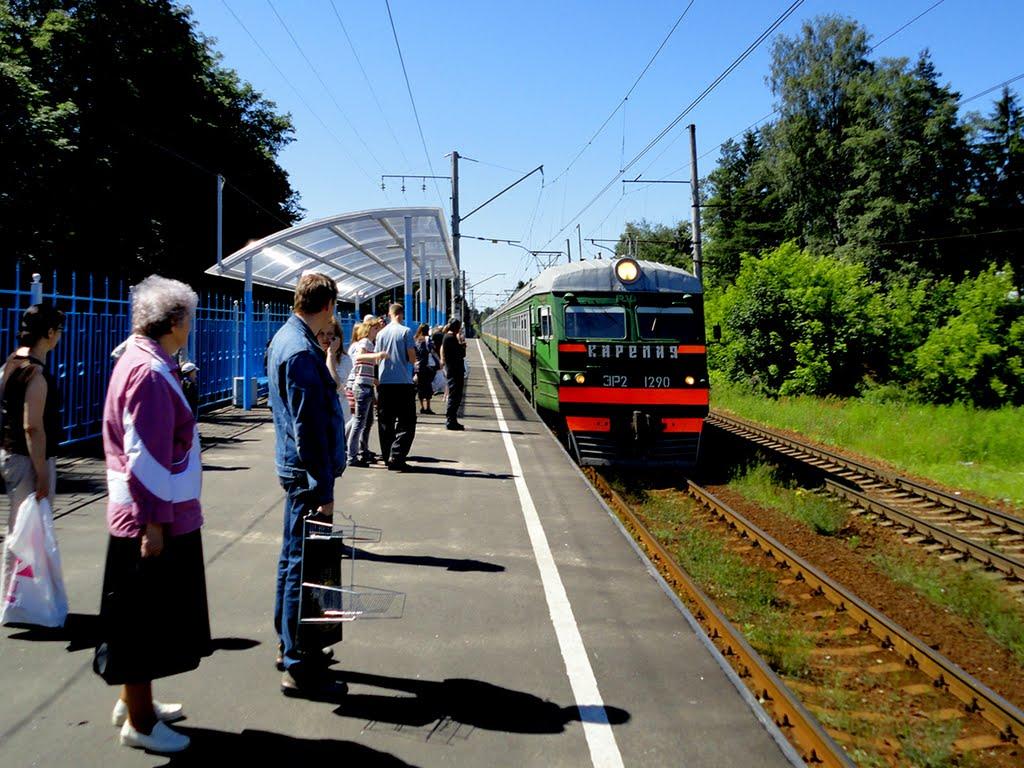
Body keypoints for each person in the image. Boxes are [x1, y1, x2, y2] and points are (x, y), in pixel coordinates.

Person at [95, 276, 208, 754]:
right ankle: (140, 723)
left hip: (143, 512)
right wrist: (156, 524)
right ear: (176, 321)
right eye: (189, 317)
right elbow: (148, 455)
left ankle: (134, 699)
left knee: (139, 617)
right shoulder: (150, 371)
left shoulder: (141, 360)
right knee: (143, 621)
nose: (191, 325)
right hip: (152, 518)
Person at [266, 273, 346, 697]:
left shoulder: (286, 338)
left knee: (291, 559)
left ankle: (287, 644)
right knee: (304, 566)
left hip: (296, 470)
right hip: (307, 475)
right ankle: (300, 665)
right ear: (328, 304)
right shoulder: (300, 351)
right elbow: (308, 428)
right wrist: (324, 490)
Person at [0, 302, 64, 603]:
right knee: (26, 533)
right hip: (28, 459)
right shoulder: (36, 374)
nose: (60, 335)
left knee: (19, 529)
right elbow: (33, 427)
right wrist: (42, 472)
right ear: (49, 333)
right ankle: (20, 601)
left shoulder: (11, 363)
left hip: (10, 454)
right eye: (59, 330)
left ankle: (14, 597)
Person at [375, 304, 418, 471]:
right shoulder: (406, 331)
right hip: (403, 383)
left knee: (386, 422)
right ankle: (397, 455)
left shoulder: (380, 334)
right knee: (407, 421)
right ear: (401, 314)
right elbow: (412, 357)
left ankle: (387, 457)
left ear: (389, 314)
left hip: (385, 383)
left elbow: (378, 358)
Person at [346, 316, 386, 468]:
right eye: (376, 328)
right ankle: (352, 455)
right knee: (359, 421)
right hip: (362, 385)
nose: (378, 331)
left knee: (366, 421)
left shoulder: (369, 343)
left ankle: (361, 450)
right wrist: (377, 355)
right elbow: (360, 357)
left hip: (366, 384)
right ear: (370, 329)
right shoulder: (365, 342)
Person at [317, 317, 352, 428]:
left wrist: (331, 355)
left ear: (337, 337)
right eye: (321, 333)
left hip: (338, 413)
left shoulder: (344, 359)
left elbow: (334, 385)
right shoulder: (312, 356)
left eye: (330, 334)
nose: (325, 338)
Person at [441, 318, 467, 431]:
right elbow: (461, 354)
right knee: (454, 396)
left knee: (455, 396)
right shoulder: (451, 338)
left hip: (453, 370)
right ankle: (451, 420)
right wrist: (462, 345)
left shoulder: (447, 337)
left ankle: (452, 419)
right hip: (455, 371)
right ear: (456, 328)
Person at [414, 323, 437, 415]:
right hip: (427, 366)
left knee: (420, 387)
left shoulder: (415, 339)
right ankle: (428, 407)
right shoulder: (427, 339)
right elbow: (432, 349)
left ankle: (422, 407)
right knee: (428, 387)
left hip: (418, 367)